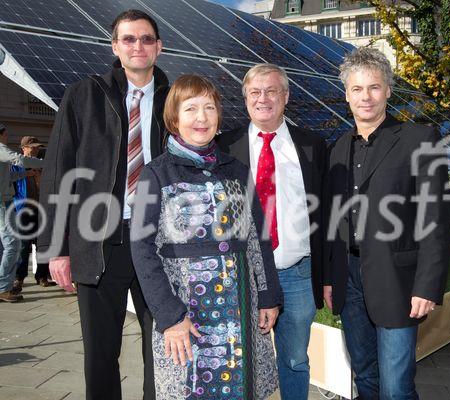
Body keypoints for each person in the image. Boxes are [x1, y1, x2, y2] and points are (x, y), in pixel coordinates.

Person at [37, 10, 169, 399]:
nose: (138, 46)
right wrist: (55, 249)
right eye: (129, 39)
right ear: (115, 47)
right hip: (97, 242)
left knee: (161, 350)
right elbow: (58, 171)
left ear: (159, 47)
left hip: (158, 243)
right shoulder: (83, 95)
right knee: (100, 353)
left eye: (146, 39)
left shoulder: (176, 99)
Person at [130, 74, 283, 399]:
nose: (201, 118)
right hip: (185, 315)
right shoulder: (155, 174)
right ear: (174, 117)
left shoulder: (237, 171)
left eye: (209, 108)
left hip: (239, 314)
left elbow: (259, 237)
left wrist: (268, 295)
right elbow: (142, 250)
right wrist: (170, 317)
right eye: (191, 109)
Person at [323, 47, 450, 399]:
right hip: (348, 277)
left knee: (396, 386)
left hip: (398, 280)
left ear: (388, 90)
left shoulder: (419, 140)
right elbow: (335, 220)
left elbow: (435, 219)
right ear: (347, 94)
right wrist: (331, 278)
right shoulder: (336, 149)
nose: (366, 97)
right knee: (365, 376)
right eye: (357, 89)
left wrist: (427, 285)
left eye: (374, 87)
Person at [217, 63, 328, 400]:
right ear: (246, 98)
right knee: (238, 357)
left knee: (294, 359)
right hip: (243, 275)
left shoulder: (312, 146)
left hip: (297, 272)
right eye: (255, 92)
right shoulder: (225, 146)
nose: (263, 98)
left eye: (271, 91)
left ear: (286, 96)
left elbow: (327, 212)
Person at [0, 124, 44, 303]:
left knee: (11, 245)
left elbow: (8, 177)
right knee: (13, 244)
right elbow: (20, 160)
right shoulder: (1, 149)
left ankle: (6, 285)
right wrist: (47, 163)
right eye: (5, 134)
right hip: (3, 202)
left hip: (5, 201)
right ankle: (3, 287)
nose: (7, 137)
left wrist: (24, 175)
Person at [12, 136, 52, 294]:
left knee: (43, 244)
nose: (35, 149)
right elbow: (9, 185)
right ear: (23, 148)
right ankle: (19, 278)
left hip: (42, 210)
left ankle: (41, 275)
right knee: (23, 246)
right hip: (23, 210)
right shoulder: (16, 165)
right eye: (32, 147)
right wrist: (26, 175)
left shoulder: (42, 165)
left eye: (37, 146)